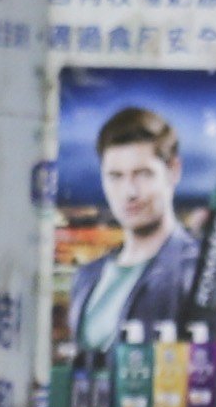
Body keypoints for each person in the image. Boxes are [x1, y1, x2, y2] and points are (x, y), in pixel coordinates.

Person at [61, 105, 205, 353]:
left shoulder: (198, 267)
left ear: (173, 171)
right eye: (115, 176)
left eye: (143, 174)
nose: (129, 193)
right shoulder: (87, 276)